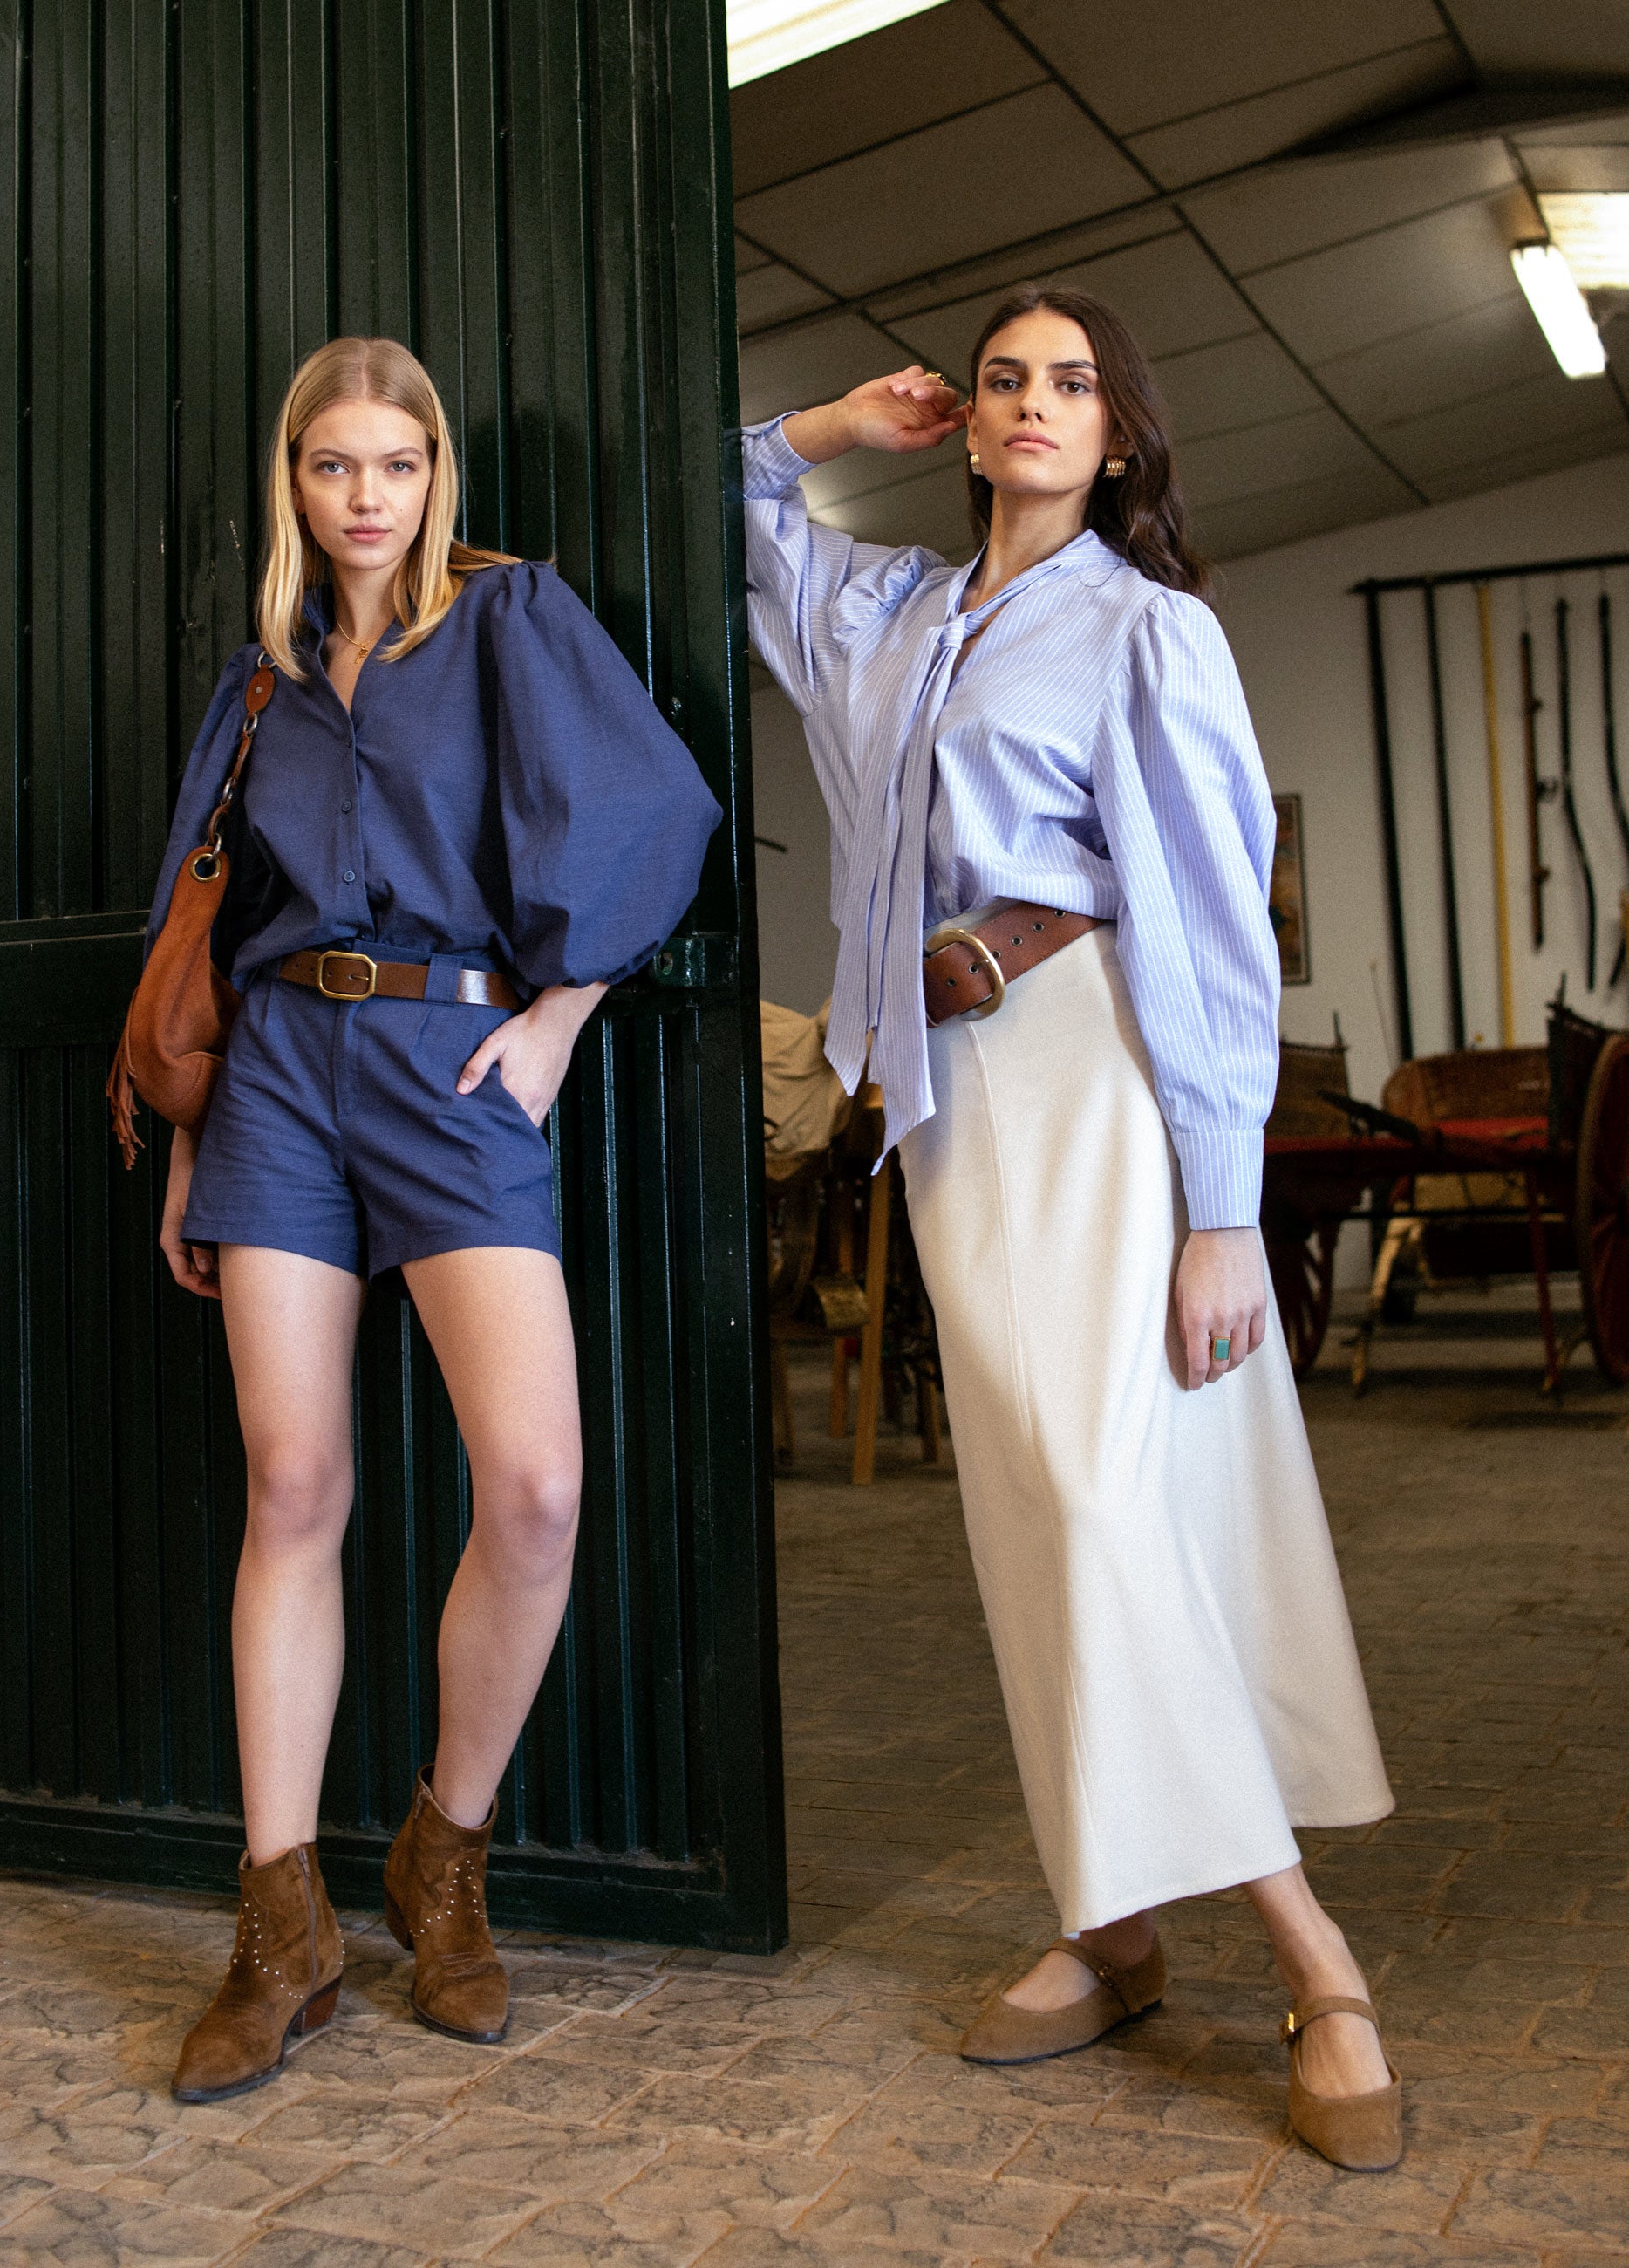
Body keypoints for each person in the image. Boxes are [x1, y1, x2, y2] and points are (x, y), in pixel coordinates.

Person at [743, 285, 1401, 2172]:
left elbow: (1207, 923)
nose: (1034, 405)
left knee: (1109, 1498)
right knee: (1033, 1513)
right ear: (964, 421)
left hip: (1094, 1073)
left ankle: (1315, 1961)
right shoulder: (876, 615)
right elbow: (707, 498)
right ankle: (1109, 1923)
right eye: (1004, 381)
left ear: (1118, 438)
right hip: (948, 1108)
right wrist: (828, 430)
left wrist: (1221, 1209)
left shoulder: (1146, 628)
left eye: (1073, 385)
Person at [148, 336, 719, 2104]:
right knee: (291, 1486)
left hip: (452, 1060)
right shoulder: (259, 681)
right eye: (333, 464)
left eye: (396, 463)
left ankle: (440, 1854)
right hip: (275, 1080)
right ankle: (279, 1930)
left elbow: (656, 811)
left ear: (434, 474)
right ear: (294, 483)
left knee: (535, 1489)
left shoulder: (505, 616)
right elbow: (203, 919)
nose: (367, 495)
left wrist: (558, 1020)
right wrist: (186, 1146)